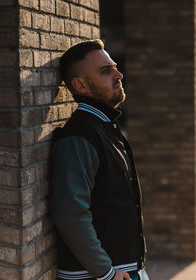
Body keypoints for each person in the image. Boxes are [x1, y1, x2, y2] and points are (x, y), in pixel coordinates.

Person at [50, 39, 148, 280]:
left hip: (122, 271)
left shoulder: (103, 127)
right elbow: (70, 213)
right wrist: (105, 272)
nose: (119, 74)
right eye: (106, 71)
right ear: (80, 85)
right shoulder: (79, 136)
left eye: (114, 67)